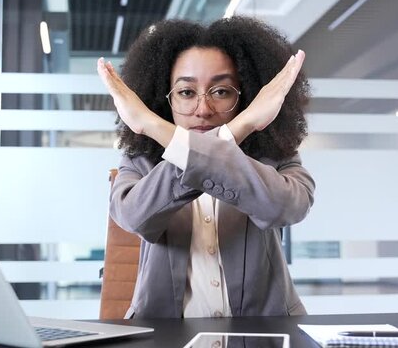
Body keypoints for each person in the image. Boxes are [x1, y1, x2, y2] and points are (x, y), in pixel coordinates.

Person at [97, 16, 315, 319]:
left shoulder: (274, 156)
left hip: (265, 333)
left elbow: (288, 207)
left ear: (246, 98)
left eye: (222, 92)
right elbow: (134, 217)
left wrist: (153, 125)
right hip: (166, 336)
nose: (203, 109)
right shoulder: (140, 160)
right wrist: (238, 128)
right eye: (186, 93)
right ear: (165, 100)